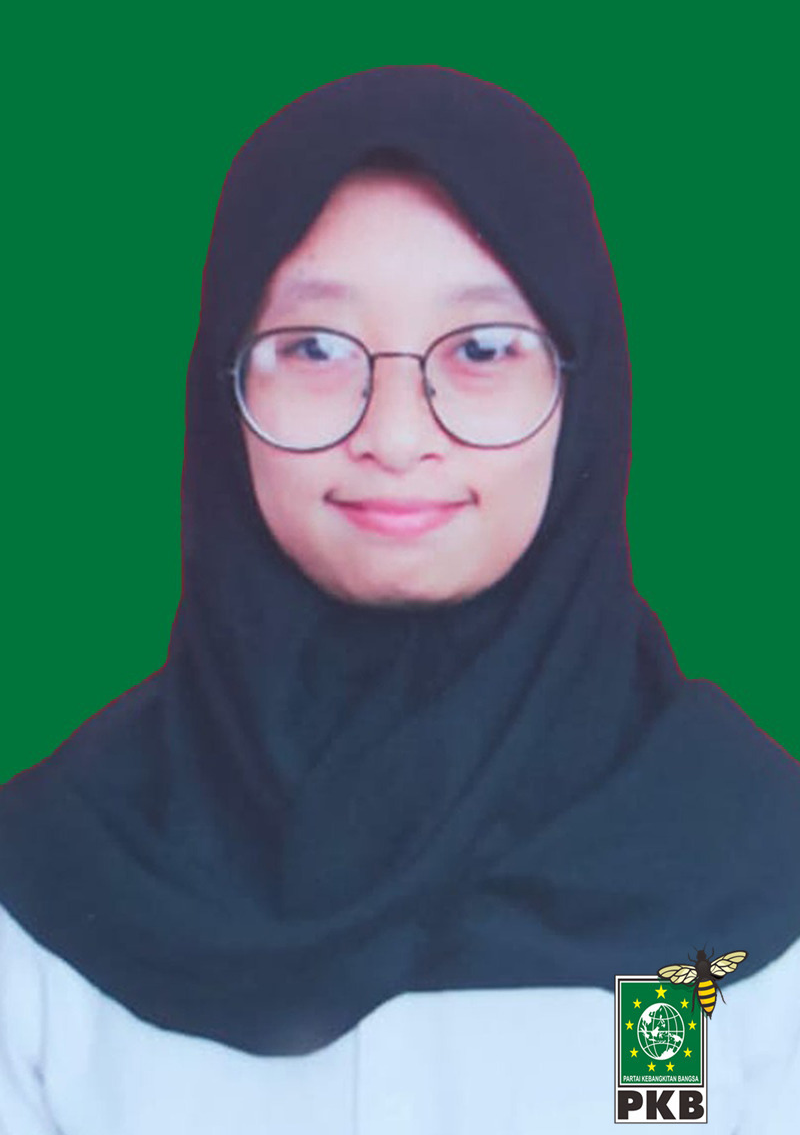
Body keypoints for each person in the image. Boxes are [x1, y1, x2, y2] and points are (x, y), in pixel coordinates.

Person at [1, 66, 798, 1133]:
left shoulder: (745, 880)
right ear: (221, 386)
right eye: (314, 348)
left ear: (584, 389)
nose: (395, 433)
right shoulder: (48, 894)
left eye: (482, 350)